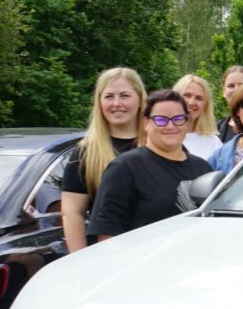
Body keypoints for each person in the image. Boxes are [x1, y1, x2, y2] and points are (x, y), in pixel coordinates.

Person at [86, 89, 213, 242]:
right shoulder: (125, 168)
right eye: (161, 120)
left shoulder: (203, 168)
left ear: (187, 123)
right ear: (146, 123)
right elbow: (107, 234)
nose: (170, 126)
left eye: (178, 119)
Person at [61, 67, 145, 252]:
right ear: (99, 102)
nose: (117, 103)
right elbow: (72, 213)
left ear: (140, 99)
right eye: (108, 97)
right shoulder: (86, 152)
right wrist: (80, 261)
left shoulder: (157, 144)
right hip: (108, 254)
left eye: (124, 95)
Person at [174, 74, 222, 160]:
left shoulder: (213, 142)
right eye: (187, 95)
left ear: (205, 106)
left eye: (199, 98)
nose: (192, 102)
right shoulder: (165, 134)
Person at [215, 65, 243, 142]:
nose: (237, 90)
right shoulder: (214, 131)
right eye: (231, 86)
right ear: (224, 92)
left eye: (242, 85)